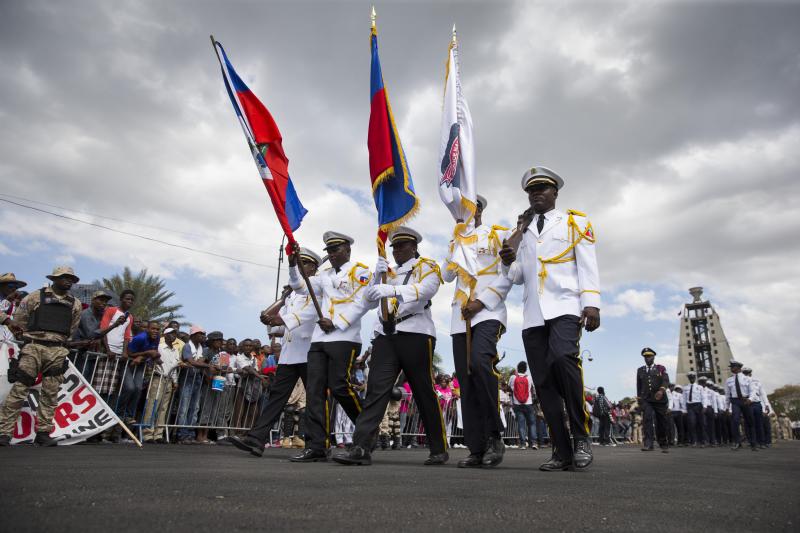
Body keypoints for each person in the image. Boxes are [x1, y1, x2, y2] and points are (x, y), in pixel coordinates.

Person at [499, 166, 600, 472]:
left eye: (542, 188)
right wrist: (508, 262)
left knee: (563, 358)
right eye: (531, 190)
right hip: (534, 314)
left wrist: (591, 303)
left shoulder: (574, 222)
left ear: (555, 192)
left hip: (566, 306)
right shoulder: (523, 232)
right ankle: (561, 450)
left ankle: (581, 437)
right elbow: (518, 276)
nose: (536, 194)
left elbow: (587, 264)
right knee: (543, 382)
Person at [333, 227, 449, 466]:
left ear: (414, 247)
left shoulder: (426, 266)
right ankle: (361, 447)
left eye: (402, 246)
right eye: (394, 246)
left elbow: (427, 290)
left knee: (423, 391)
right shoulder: (388, 272)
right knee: (376, 391)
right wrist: (377, 277)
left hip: (416, 333)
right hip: (387, 335)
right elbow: (368, 300)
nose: (396, 250)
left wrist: (393, 289)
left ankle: (438, 448)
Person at [441, 194, 515, 468]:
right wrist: (456, 241)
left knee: (481, 364)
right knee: (466, 380)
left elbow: (508, 274)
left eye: (471, 209)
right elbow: (447, 275)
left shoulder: (497, 235)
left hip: (487, 310)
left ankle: (495, 436)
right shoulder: (456, 240)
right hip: (461, 316)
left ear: (479, 210)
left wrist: (481, 302)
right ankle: (476, 447)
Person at [287, 232, 371, 463]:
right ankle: (318, 447)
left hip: (345, 336)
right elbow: (300, 287)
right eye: (329, 251)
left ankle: (367, 429)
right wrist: (293, 265)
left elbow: (364, 302)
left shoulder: (360, 271)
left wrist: (337, 323)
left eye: (335, 250)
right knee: (314, 391)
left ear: (348, 250)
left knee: (339, 386)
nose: (332, 255)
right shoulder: (323, 275)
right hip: (319, 339)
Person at [230, 249, 322, 456]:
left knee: (314, 401)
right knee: (276, 398)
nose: (301, 268)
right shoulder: (292, 296)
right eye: (299, 263)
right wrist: (271, 320)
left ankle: (317, 444)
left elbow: (310, 315)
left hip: (309, 352)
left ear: (314, 268)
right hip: (289, 355)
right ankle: (256, 439)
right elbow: (280, 328)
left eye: (305, 264)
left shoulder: (316, 290)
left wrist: (282, 319)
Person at [0, 266, 83, 446]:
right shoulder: (35, 297)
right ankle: (4, 433)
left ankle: (43, 433)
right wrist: (29, 337)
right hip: (34, 347)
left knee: (50, 393)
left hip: (58, 350)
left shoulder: (75, 303)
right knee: (20, 389)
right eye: (64, 277)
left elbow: (72, 328)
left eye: (71, 278)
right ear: (54, 279)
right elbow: (20, 320)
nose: (68, 280)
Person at [142, 327, 183, 443]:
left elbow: (174, 367)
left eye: (174, 334)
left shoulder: (175, 350)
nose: (173, 336)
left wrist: (175, 381)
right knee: (152, 405)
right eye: (170, 333)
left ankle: (158, 434)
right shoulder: (159, 347)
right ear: (164, 335)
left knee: (163, 408)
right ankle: (147, 434)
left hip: (169, 380)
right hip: (158, 377)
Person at [118, 320, 161, 429]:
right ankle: (119, 413)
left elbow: (154, 352)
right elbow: (129, 353)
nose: (155, 331)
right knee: (129, 387)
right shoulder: (140, 338)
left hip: (140, 365)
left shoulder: (157, 338)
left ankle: (129, 415)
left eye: (157, 329)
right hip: (128, 364)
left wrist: (142, 356)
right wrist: (146, 353)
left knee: (138, 388)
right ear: (147, 329)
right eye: (153, 329)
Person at [175, 325, 208, 443]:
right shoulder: (187, 346)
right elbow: (191, 361)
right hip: (187, 379)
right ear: (193, 335)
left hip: (197, 378)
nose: (203, 336)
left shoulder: (201, 348)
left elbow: (199, 361)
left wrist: (199, 363)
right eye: (201, 334)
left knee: (195, 408)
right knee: (184, 407)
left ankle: (190, 433)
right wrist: (207, 365)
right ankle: (182, 434)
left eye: (203, 334)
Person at [636, 348, 670, 453]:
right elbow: (639, 386)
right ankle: (648, 444)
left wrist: (661, 390)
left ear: (654, 357)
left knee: (661, 422)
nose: (647, 358)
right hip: (647, 400)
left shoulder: (660, 368)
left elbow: (665, 380)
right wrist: (640, 399)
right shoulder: (640, 370)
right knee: (647, 420)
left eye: (649, 356)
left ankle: (663, 443)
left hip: (659, 399)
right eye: (645, 357)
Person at [724, 360, 757, 451]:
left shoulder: (747, 379)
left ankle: (753, 443)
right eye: (731, 367)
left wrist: (750, 399)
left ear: (738, 368)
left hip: (746, 400)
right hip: (735, 401)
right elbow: (727, 395)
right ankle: (737, 442)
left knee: (750, 422)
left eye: (733, 367)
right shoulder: (728, 380)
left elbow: (753, 391)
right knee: (735, 421)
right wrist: (727, 407)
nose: (731, 368)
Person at [509, 361, 538, 450]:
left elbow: (509, 388)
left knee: (521, 424)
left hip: (517, 404)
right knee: (532, 424)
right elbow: (533, 389)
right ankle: (533, 443)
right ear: (526, 369)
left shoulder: (513, 377)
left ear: (518, 368)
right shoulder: (529, 378)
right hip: (528, 403)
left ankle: (523, 444)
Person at [743, 367, 768, 449]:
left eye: (748, 373)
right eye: (745, 373)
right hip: (748, 404)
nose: (747, 375)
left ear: (751, 374)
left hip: (757, 403)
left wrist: (766, 404)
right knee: (750, 424)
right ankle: (753, 442)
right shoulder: (741, 382)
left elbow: (762, 394)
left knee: (759, 424)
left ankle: (762, 442)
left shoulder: (757, 381)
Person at [683, 372, 706, 447]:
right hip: (690, 406)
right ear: (688, 378)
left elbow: (703, 397)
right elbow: (684, 399)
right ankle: (694, 441)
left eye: (693, 377)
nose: (691, 379)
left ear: (695, 378)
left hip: (698, 405)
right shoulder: (685, 388)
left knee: (701, 423)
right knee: (692, 423)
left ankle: (702, 441)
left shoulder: (700, 387)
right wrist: (684, 410)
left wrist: (704, 406)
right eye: (690, 377)